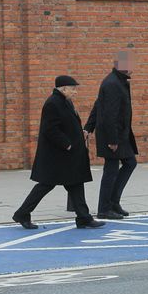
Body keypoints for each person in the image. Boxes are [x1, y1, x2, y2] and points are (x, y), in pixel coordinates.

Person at [12, 75, 105, 230]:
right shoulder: (53, 103)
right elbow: (50, 129)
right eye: (73, 89)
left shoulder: (64, 102)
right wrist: (67, 144)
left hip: (67, 156)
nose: (76, 92)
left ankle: (83, 217)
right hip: (57, 156)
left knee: (75, 183)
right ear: (63, 88)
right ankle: (22, 213)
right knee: (45, 185)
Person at [85, 51, 138, 220]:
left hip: (120, 134)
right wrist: (112, 140)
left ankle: (113, 202)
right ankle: (104, 208)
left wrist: (88, 127)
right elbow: (108, 114)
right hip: (113, 135)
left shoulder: (118, 82)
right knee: (111, 170)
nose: (132, 68)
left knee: (129, 163)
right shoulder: (113, 84)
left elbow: (98, 105)